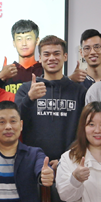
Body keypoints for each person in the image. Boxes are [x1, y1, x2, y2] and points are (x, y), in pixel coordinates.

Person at [15, 35, 87, 165]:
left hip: (69, 162)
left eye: (56, 53)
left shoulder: (79, 92)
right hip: (32, 163)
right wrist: (29, 99)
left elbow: (84, 130)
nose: (52, 58)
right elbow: (16, 122)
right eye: (46, 54)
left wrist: (64, 160)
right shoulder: (26, 89)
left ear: (65, 56)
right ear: (40, 58)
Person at [0, 19, 43, 95]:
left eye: (28, 38)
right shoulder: (7, 72)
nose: (24, 43)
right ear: (14, 43)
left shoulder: (44, 70)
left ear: (37, 40)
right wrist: (0, 77)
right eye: (19, 39)